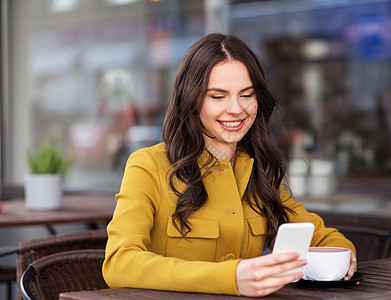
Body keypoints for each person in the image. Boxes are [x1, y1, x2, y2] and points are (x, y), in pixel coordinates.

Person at [102, 33, 356, 297]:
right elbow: (119, 264)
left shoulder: (257, 170)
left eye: (246, 95)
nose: (236, 109)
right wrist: (232, 277)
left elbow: (323, 238)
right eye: (218, 97)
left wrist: (343, 257)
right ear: (192, 100)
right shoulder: (148, 165)